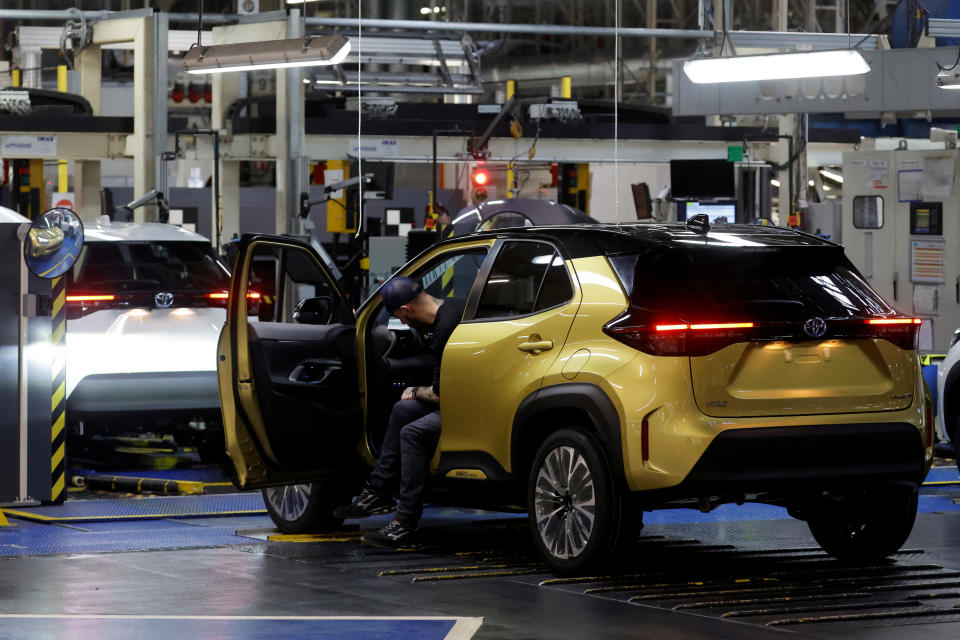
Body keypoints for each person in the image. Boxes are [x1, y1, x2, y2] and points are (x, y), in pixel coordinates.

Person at [334, 276, 466, 548]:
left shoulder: (445, 328)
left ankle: (405, 523)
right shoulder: (453, 307)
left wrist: (416, 389)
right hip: (465, 397)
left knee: (413, 433)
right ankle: (379, 491)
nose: (404, 324)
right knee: (403, 409)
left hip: (470, 408)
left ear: (406, 310)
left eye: (401, 318)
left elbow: (441, 395)